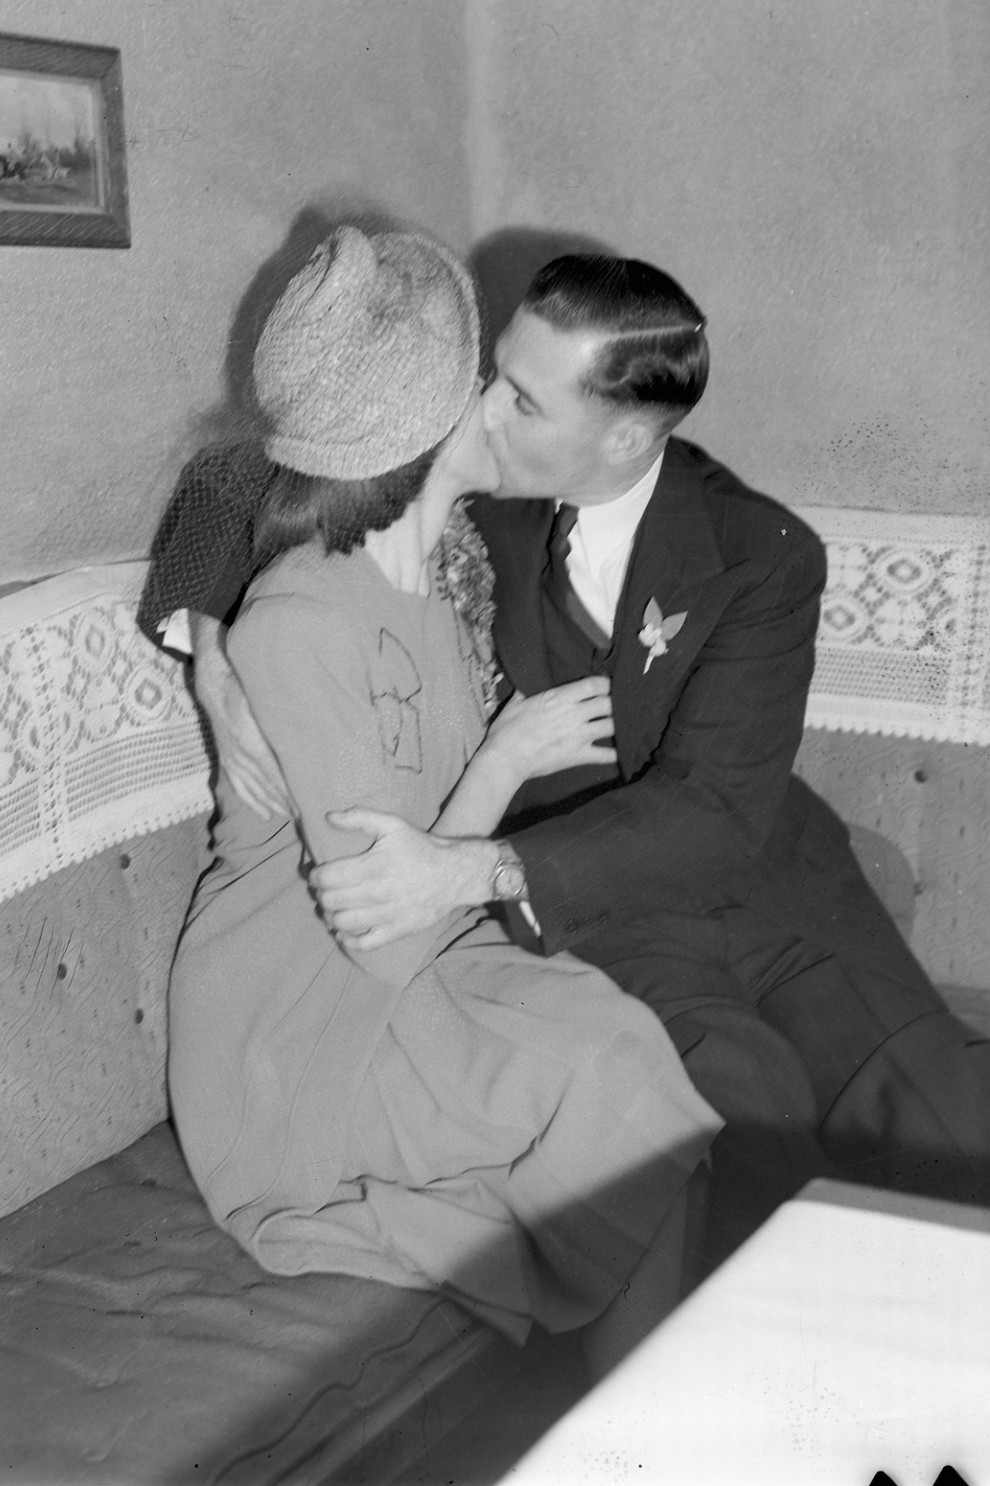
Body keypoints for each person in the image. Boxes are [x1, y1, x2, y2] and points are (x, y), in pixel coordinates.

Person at [142, 245, 990, 1265]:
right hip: (596, 902)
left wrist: (479, 862)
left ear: (625, 431)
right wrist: (213, 654)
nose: (489, 405)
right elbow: (241, 470)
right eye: (492, 371)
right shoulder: (471, 487)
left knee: (946, 1107)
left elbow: (715, 810)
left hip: (763, 874)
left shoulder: (760, 551)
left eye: (522, 397)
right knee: (746, 1130)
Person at [160, 225, 720, 1361]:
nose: (507, 400)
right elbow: (378, 934)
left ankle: (650, 1426)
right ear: (429, 420)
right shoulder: (305, 617)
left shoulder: (449, 559)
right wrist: (505, 759)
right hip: (300, 1023)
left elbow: (236, 468)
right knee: (613, 1078)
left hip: (423, 958)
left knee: (633, 1057)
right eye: (491, 379)